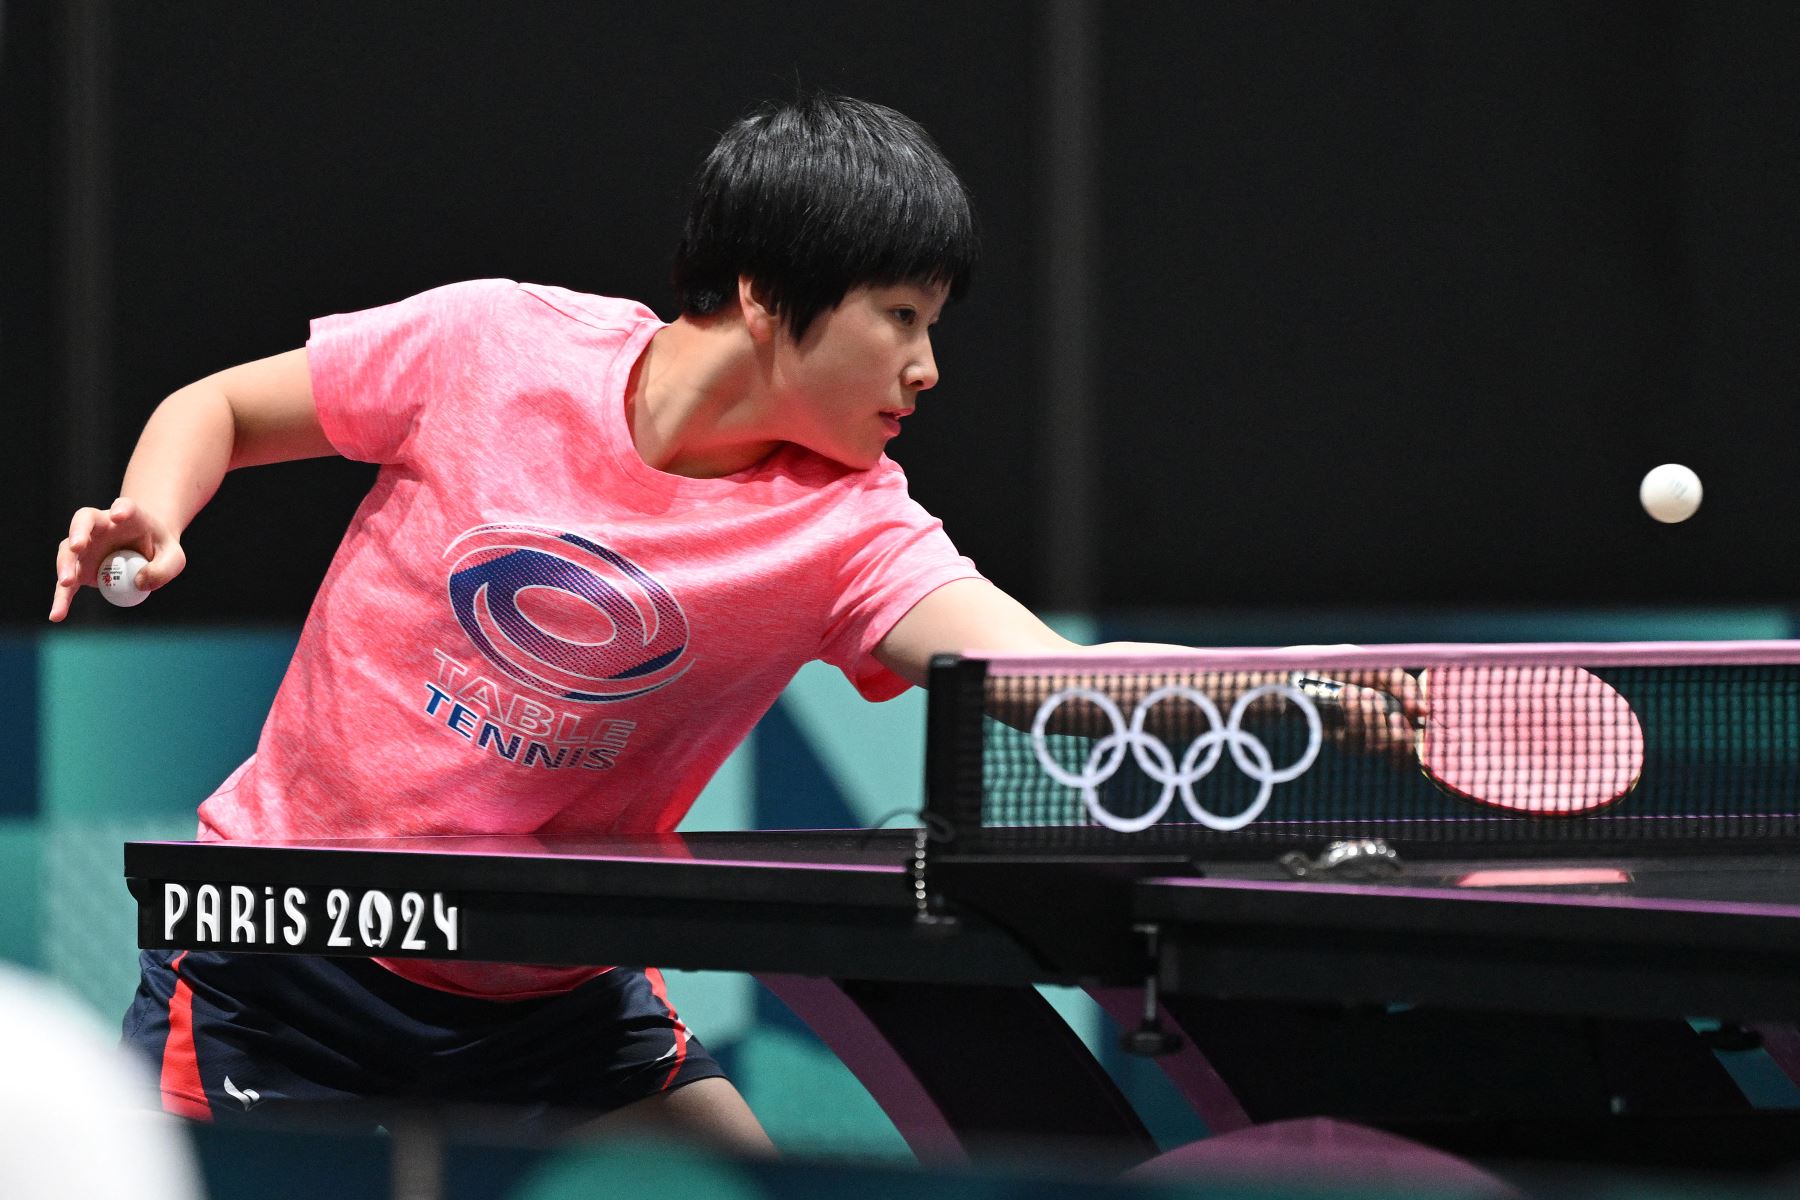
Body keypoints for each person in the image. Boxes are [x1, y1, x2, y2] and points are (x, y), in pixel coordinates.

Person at [52, 94, 1414, 1150]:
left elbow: (1041, 680)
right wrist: (153, 514)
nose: (928, 369)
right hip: (288, 963)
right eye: (900, 318)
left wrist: (1272, 686)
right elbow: (218, 408)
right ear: (767, 295)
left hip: (553, 1007)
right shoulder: (493, 347)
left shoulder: (849, 530)